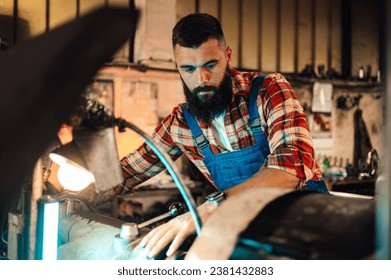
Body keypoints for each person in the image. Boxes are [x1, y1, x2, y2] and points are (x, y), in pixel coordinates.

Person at [103, 13, 326, 259]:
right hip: (247, 237)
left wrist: (212, 206)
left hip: (309, 234)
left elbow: (291, 167)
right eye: (188, 69)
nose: (201, 80)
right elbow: (128, 171)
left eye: (210, 65)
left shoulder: (269, 90)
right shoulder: (181, 124)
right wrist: (80, 193)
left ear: (227, 56)